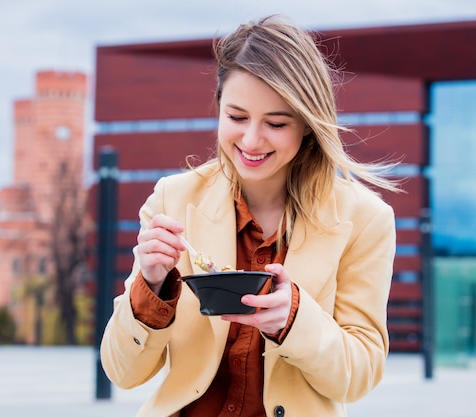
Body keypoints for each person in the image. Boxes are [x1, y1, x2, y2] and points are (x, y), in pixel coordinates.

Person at [100, 15, 399, 417]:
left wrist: (293, 321)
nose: (252, 140)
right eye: (236, 117)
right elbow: (123, 371)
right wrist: (150, 285)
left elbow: (361, 374)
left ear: (307, 125)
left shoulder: (365, 218)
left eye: (276, 123)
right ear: (219, 106)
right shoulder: (173, 198)